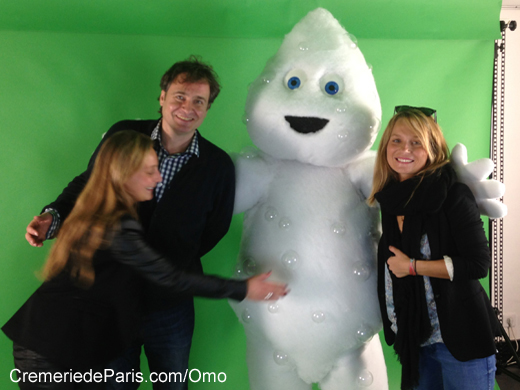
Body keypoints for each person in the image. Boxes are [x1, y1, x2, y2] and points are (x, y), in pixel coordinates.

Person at [23, 56, 247, 390]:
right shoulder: (125, 135)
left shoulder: (218, 166)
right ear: (162, 97)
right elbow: (89, 186)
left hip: (170, 305)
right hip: (111, 301)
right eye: (180, 97)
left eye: (199, 101)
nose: (188, 107)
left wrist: (168, 259)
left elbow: (215, 229)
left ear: (207, 108)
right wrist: (53, 219)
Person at [4, 130, 287, 390]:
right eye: (150, 171)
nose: (159, 177)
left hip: (50, 345)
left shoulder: (98, 208)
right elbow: (171, 277)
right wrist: (244, 289)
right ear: (125, 173)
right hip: (52, 353)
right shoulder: (116, 225)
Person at [367, 106, 499, 390]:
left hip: (461, 337)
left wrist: (412, 267)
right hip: (415, 340)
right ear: (386, 147)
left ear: (432, 148)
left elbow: (477, 264)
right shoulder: (389, 199)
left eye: (417, 142)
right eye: (397, 140)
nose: (405, 149)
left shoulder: (452, 194)